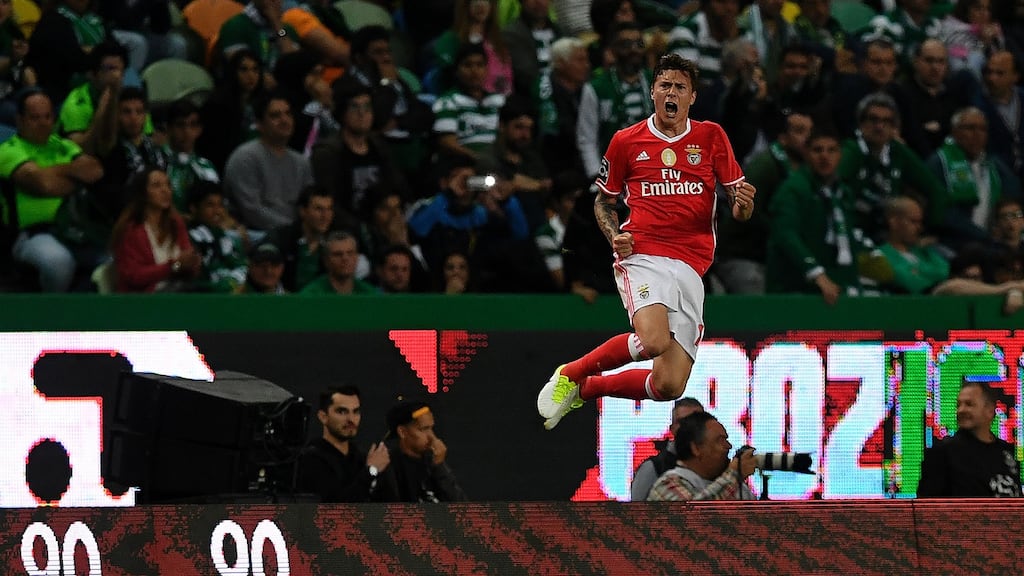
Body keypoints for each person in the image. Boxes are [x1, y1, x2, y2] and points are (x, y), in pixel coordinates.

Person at [536, 54, 757, 430]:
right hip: (644, 254)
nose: (672, 93)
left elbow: (740, 207)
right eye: (665, 85)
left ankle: (588, 389)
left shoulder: (711, 137)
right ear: (653, 91)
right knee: (652, 341)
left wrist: (744, 205)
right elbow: (603, 201)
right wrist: (614, 235)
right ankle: (571, 373)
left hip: (692, 265)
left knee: (669, 385)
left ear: (692, 97)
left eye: (680, 87)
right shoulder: (626, 140)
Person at [0, 89, 103, 292]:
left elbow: (95, 170)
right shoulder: (8, 150)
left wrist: (49, 173)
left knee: (110, 261)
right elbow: (42, 184)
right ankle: (51, 311)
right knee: (58, 262)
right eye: (35, 118)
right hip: (31, 234)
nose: (43, 123)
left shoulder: (62, 144)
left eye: (47, 117)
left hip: (75, 230)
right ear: (19, 120)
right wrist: (74, 176)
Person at [223, 91, 314, 234]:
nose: (284, 120)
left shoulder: (301, 162)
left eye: (288, 114)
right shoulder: (245, 158)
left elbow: (309, 204)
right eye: (275, 116)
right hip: (255, 234)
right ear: (259, 124)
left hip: (296, 233)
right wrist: (292, 230)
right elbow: (251, 210)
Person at [917, 381, 1022, 497]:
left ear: (990, 411)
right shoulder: (942, 453)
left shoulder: (1006, 451)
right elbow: (927, 503)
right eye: (958, 405)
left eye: (969, 404)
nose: (961, 410)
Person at [296, 385, 391, 502]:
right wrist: (371, 471)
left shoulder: (362, 458)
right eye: (342, 411)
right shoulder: (310, 459)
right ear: (323, 417)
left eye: (356, 412)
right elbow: (335, 508)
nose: (351, 419)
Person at [111, 167, 200, 292]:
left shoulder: (176, 223)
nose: (165, 190)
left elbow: (187, 262)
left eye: (168, 185)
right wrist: (173, 266)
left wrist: (192, 263)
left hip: (177, 290)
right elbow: (133, 275)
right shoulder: (130, 229)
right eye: (156, 186)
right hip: (143, 297)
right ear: (142, 193)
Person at [647, 411, 756, 501]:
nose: (729, 446)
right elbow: (694, 515)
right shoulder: (668, 484)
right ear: (696, 448)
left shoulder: (736, 487)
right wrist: (734, 474)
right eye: (720, 440)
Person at [377, 400, 467, 502]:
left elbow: (460, 507)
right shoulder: (388, 466)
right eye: (424, 429)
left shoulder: (433, 462)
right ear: (402, 432)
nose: (432, 437)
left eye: (431, 428)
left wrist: (439, 467)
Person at [630, 397, 704, 501]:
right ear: (672, 428)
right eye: (683, 422)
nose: (690, 427)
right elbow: (636, 508)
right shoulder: (653, 467)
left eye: (697, 421)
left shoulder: (715, 464)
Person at [300, 230, 377, 294]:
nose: (345, 258)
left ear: (357, 258)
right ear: (326, 260)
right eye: (338, 254)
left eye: (350, 253)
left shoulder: (370, 295)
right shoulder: (311, 294)